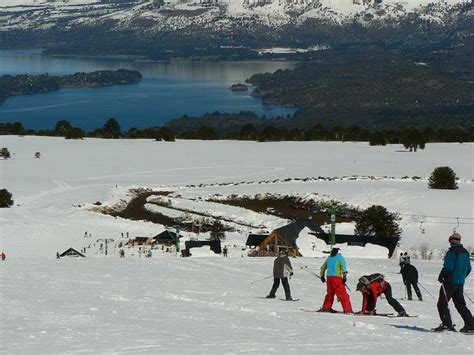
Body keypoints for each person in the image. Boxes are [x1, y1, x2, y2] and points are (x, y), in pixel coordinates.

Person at [434, 232, 474, 333]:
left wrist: (441, 276)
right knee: (460, 304)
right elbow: (469, 268)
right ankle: (471, 324)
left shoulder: (452, 252)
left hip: (449, 282)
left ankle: (447, 324)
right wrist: (461, 277)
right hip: (459, 282)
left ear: (451, 241)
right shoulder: (465, 252)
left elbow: (448, 267)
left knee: (442, 303)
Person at [319, 247, 353, 313]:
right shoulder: (340, 258)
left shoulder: (329, 258)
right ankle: (348, 310)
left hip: (329, 278)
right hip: (337, 278)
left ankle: (326, 308)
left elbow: (323, 267)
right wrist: (344, 276)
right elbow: (343, 267)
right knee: (343, 294)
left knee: (330, 294)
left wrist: (322, 276)